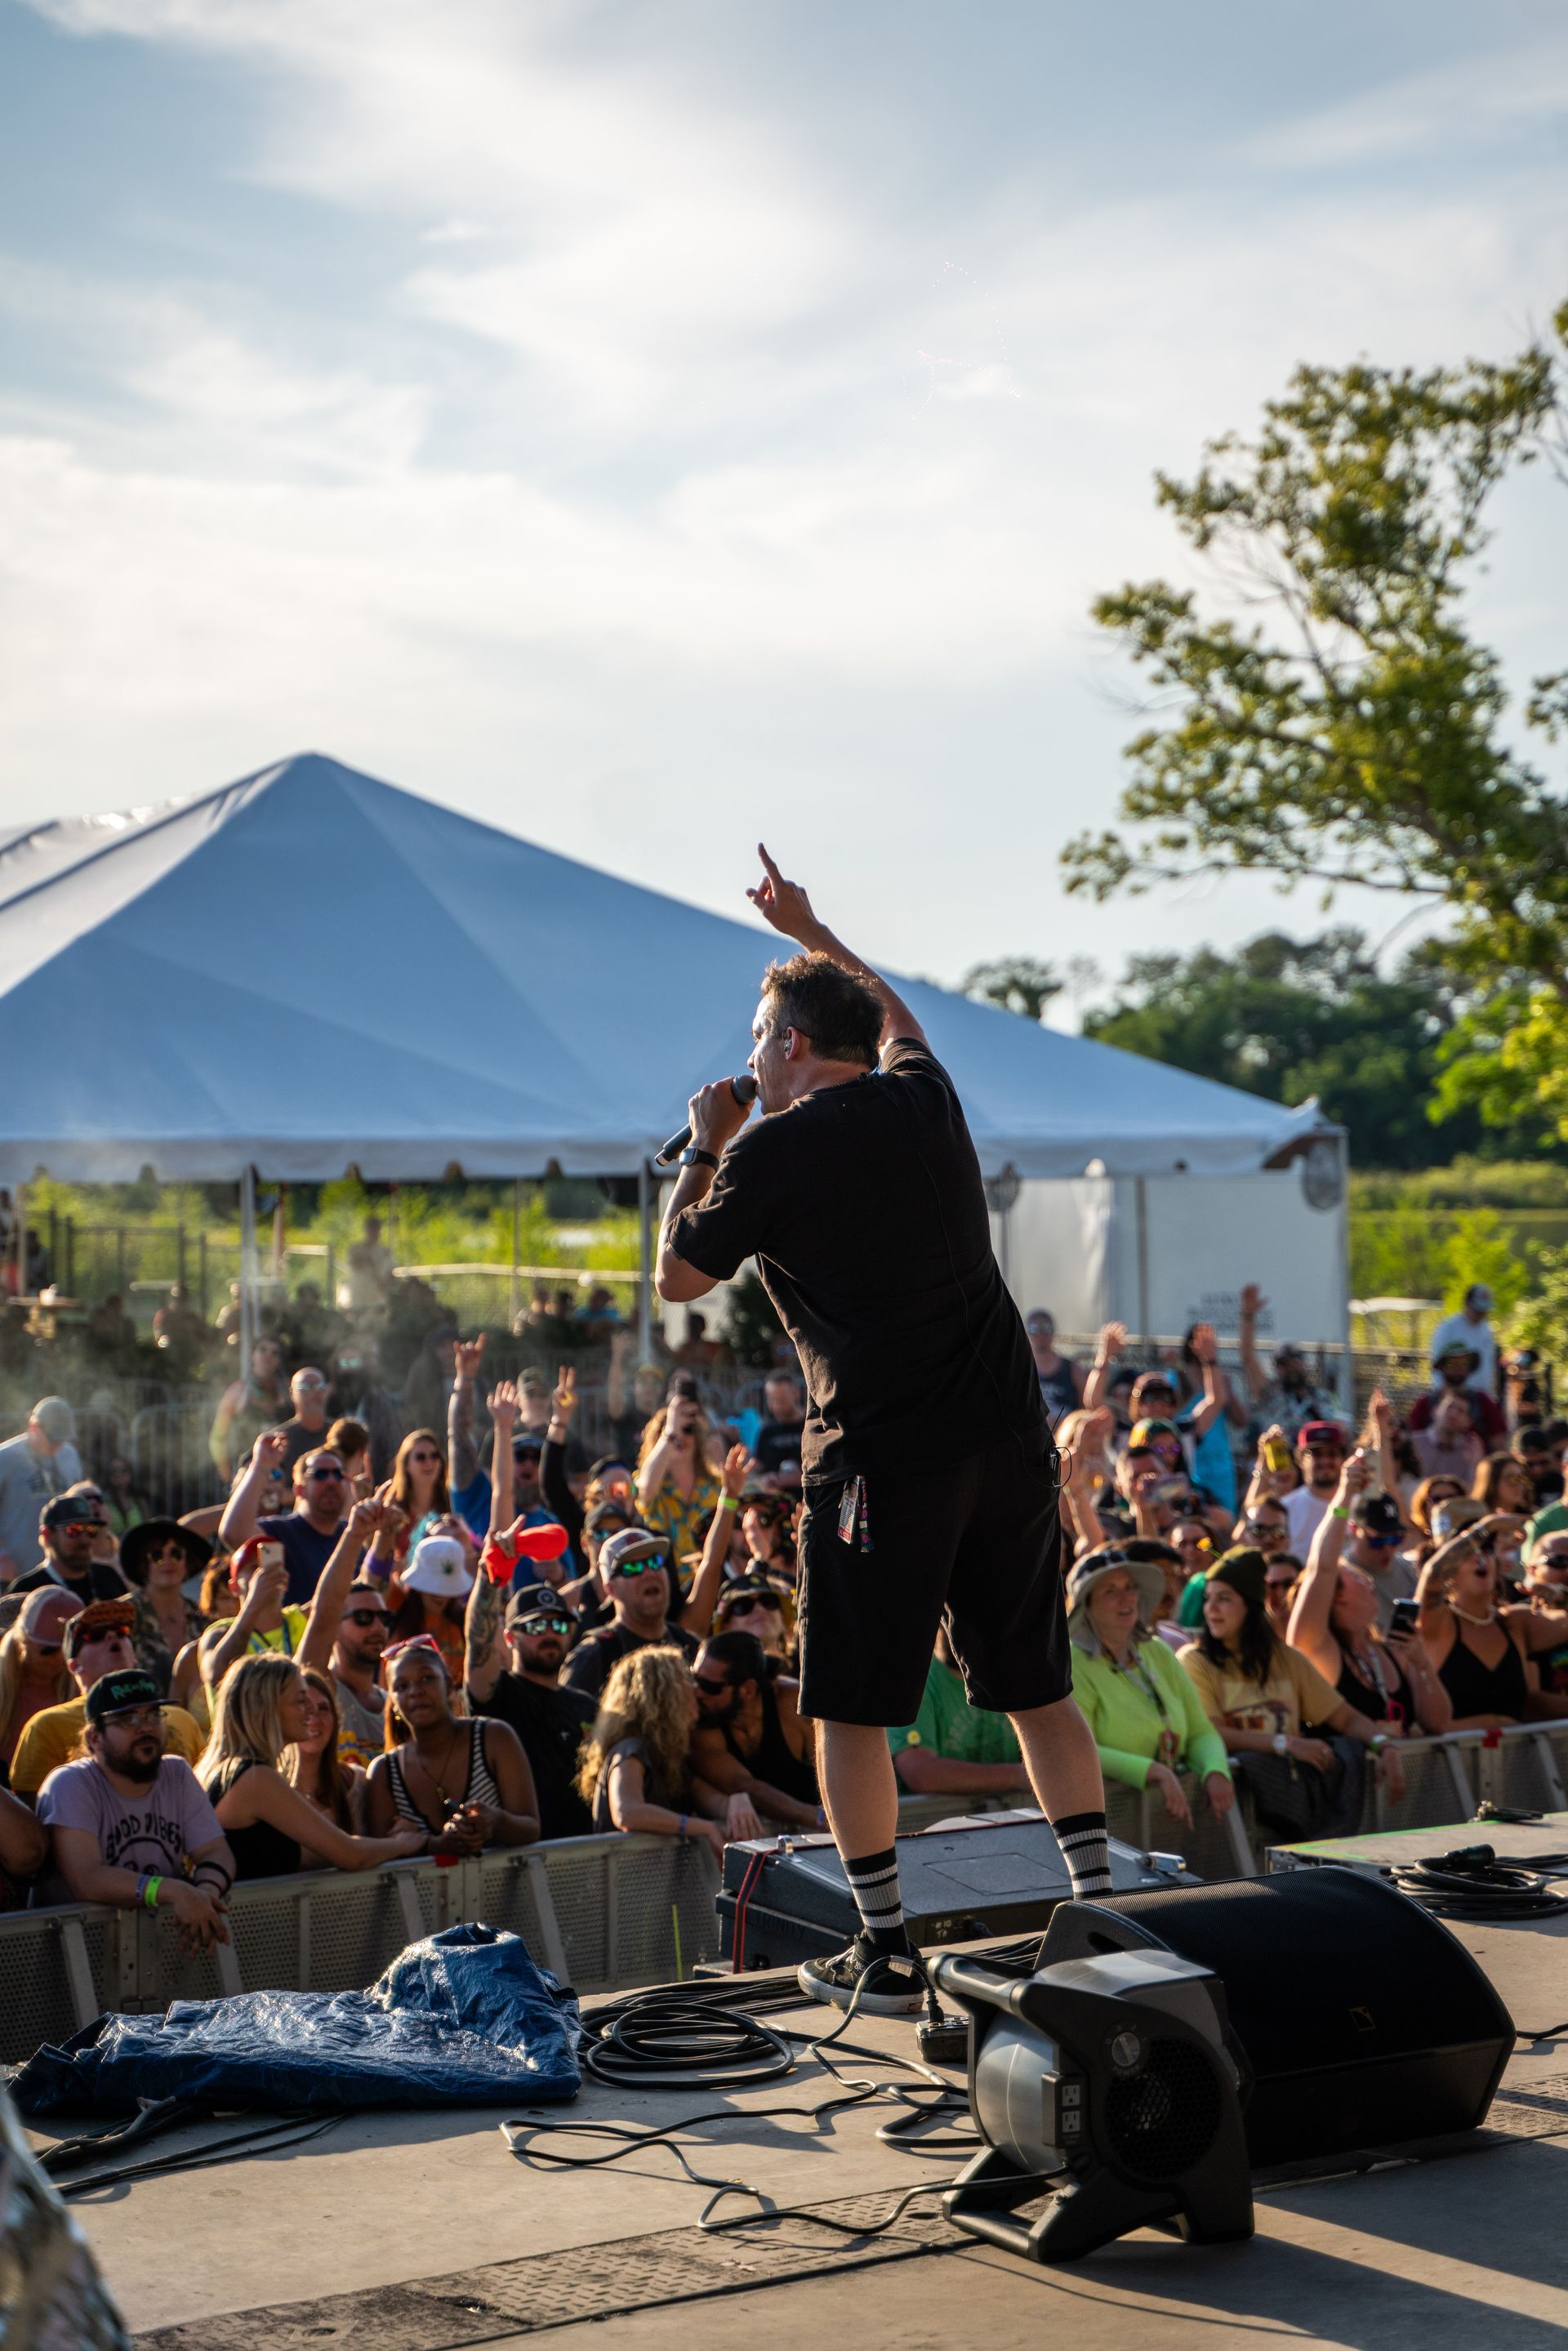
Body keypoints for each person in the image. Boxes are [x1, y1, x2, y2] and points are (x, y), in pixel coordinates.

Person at [657, 847, 1106, 2014]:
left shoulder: (771, 1144)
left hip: (882, 1461)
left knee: (852, 1705)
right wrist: (819, 931)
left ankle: (889, 1945)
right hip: (1008, 1440)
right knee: (1035, 1686)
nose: (751, 1060)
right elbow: (895, 1013)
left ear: (795, 1046)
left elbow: (677, 1274)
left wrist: (704, 1137)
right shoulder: (925, 1094)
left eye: (762, 1039)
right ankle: (1104, 1907)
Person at [1178, 1547, 1400, 1833]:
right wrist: (1286, 1745)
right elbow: (1212, 1731)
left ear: (1250, 1606)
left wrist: (1384, 1744)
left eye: (1224, 1599)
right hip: (1226, 1823)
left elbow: (1345, 1717)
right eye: (1208, 1599)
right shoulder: (1195, 1660)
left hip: (1286, 1813)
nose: (1211, 1609)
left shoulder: (1286, 1659)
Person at [37, 1668, 234, 1943]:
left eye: (154, 1715)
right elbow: (86, 1879)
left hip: (161, 1946)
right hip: (75, 1956)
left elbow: (215, 1851)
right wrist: (173, 1891)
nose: (145, 1727)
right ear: (95, 1738)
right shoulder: (70, 1784)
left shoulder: (176, 1773)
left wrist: (205, 1896)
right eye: (127, 1719)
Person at [199, 1653, 429, 1879]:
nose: (311, 1709)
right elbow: (350, 1854)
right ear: (267, 1708)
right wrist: (403, 1844)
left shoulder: (230, 1771)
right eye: (300, 1700)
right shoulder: (254, 1778)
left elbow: (313, 1854)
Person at [1066, 1551, 1233, 1827]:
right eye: (1111, 1591)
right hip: (1111, 1824)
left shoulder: (1157, 1651)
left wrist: (1215, 1770)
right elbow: (1078, 1751)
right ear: (1087, 1605)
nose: (1126, 1598)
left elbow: (1200, 1731)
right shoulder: (1071, 1663)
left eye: (1130, 1587)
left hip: (1169, 1819)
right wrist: (1152, 1772)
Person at [1288, 1479, 1452, 1738]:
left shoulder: (1390, 1652)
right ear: (1336, 1598)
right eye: (1356, 1577)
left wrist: (1422, 1664)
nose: (1369, 1580)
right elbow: (1322, 1568)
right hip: (1348, 1776)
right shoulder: (1320, 1649)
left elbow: (1439, 1723)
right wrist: (1345, 1494)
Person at [10, 1599, 207, 1801]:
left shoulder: (182, 1719)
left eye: (122, 1632)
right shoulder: (47, 1726)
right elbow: (33, 1815)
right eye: (95, 1636)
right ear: (74, 1666)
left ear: (135, 1657)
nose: (113, 1635)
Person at [365, 1638, 540, 1850]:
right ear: (393, 1703)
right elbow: (380, 1855)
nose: (415, 1691)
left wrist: (495, 1821)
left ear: (448, 1686)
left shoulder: (494, 1737)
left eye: (427, 1678)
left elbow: (531, 1828)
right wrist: (432, 1844)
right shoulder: (384, 1772)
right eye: (402, 1686)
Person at [465, 1577, 597, 1840]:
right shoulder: (500, 1693)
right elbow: (478, 1644)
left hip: (590, 1857)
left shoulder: (586, 1705)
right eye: (536, 1626)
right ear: (510, 1638)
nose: (549, 1633)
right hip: (524, 1861)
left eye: (558, 1624)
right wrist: (490, 1577)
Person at [574, 1644, 728, 1855]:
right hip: (623, 1884)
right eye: (686, 1681)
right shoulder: (630, 1750)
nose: (696, 1690)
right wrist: (701, 1827)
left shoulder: (668, 1758)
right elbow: (627, 1813)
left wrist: (738, 1804)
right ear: (664, 1694)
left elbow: (711, 1799)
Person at [1414, 1522, 1568, 1728]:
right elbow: (1433, 1575)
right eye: (1468, 1552)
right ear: (1450, 1572)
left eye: (1487, 1550)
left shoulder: (1514, 1623)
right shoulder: (1438, 1622)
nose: (1479, 1558)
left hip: (1517, 1758)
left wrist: (1563, 1596)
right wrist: (1487, 1526)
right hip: (1453, 1758)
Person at [296, 1500, 399, 1770]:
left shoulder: (396, 1705)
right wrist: (355, 1534)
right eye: (363, 1618)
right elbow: (325, 1610)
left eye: (383, 1618)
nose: (377, 1628)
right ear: (335, 1628)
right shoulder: (317, 1688)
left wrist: (387, 1533)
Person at [691, 1629, 821, 1829]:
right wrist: (816, 1818)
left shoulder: (792, 1703)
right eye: (694, 1678)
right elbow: (740, 1785)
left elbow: (837, 1768)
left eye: (709, 1686)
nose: (697, 1692)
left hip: (816, 1844)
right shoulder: (703, 1722)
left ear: (748, 1689)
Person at [889, 1627, 1034, 1804]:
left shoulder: (1013, 1674)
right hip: (933, 1824)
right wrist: (1020, 1776)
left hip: (1012, 1818)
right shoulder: (916, 1680)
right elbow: (919, 1773)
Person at [562, 1528, 699, 1700]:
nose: (649, 1573)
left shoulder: (688, 1644)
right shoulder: (593, 1657)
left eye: (655, 1562)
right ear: (610, 1589)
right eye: (632, 1568)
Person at [220, 1433, 351, 1607]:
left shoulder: (351, 1534)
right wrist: (261, 1466)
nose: (331, 1481)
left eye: (338, 1474)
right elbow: (234, 1533)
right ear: (299, 1490)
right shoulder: (280, 1532)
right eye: (320, 1474)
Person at [120, 1518, 213, 1693]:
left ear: (187, 1562)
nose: (168, 1561)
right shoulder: (123, 1615)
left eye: (176, 1554)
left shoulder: (202, 1618)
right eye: (157, 1556)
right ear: (143, 1564)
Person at [636, 1392, 724, 1568]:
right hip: (667, 1585)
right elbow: (645, 1487)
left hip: (712, 1581)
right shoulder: (652, 1483)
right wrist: (670, 1430)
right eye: (671, 1431)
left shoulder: (717, 1485)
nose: (680, 1437)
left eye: (687, 1430)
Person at [285, 1667, 364, 1860]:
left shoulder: (357, 1782)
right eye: (303, 1707)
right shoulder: (267, 1788)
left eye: (322, 1709)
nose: (313, 1719)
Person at [0, 1398, 82, 1582]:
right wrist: (1, 1554)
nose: (58, 1444)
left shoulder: (69, 1455)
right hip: (13, 1574)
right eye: (54, 1438)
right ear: (34, 1427)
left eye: (63, 1438)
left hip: (60, 1570)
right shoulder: (4, 1459)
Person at [0, 1588, 78, 1782]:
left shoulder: (82, 1689)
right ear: (22, 1642)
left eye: (69, 1650)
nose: (60, 1659)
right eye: (48, 1650)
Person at [1236, 1290, 1335, 1441]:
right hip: (1279, 1459)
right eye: (1284, 1364)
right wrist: (1248, 1315)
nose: (1291, 1369)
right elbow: (1248, 1358)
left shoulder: (1320, 1396)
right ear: (1277, 1368)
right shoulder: (1269, 1392)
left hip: (1311, 1457)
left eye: (1294, 1362)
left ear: (1303, 1364)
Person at [7, 1492, 128, 1604]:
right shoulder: (26, 1591)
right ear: (47, 1535)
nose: (85, 1540)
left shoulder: (107, 1577)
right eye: (74, 1530)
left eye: (91, 1530)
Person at [208, 1338, 287, 1480]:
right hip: (246, 1473)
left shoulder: (287, 1394)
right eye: (262, 1349)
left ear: (279, 1360)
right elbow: (217, 1438)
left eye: (275, 1353)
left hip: (280, 1475)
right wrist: (228, 1476)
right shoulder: (238, 1392)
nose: (268, 1355)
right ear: (253, 1355)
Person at [1410, 1340, 1506, 1443]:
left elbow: (1498, 1440)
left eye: (1464, 1363)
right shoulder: (1425, 1403)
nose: (1458, 1367)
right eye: (1452, 1363)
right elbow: (1413, 1440)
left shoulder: (1483, 1401)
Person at [1428, 1285, 1499, 1397]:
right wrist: (1442, 1394)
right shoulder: (1449, 1328)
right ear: (1467, 1303)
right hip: (1456, 1397)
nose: (1481, 1314)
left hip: (1482, 1396)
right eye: (1477, 1310)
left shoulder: (1486, 1329)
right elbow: (1438, 1364)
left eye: (1484, 1310)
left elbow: (1489, 1364)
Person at [265, 1368, 334, 1474]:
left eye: (319, 1387)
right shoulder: (277, 1441)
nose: (313, 1393)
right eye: (304, 1388)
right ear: (292, 1393)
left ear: (327, 1391)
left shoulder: (342, 1435)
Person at [1023, 1311, 1085, 1430]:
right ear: (1027, 1333)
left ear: (1053, 1331)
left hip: (1065, 1435)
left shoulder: (1072, 1369)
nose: (1041, 1335)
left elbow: (1086, 1406)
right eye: (1034, 1329)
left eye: (1046, 1329)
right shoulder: (1022, 1368)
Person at [1410, 1391, 1485, 1485]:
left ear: (1468, 1422)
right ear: (1435, 1411)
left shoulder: (1471, 1450)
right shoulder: (1412, 1443)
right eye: (1449, 1407)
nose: (1453, 1414)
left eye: (1461, 1411)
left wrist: (1476, 1464)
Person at [751, 1369, 809, 1478]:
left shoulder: (811, 1425)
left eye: (782, 1400)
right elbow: (758, 1467)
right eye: (773, 1400)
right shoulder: (767, 1431)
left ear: (796, 1394)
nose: (777, 1406)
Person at [345, 1215, 395, 1313]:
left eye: (376, 1229)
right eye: (371, 1229)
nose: (374, 1232)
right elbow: (354, 1264)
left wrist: (386, 1287)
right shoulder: (356, 1249)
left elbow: (391, 1273)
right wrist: (367, 1260)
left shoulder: (385, 1252)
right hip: (359, 1297)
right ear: (366, 1230)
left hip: (378, 1299)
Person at [102, 1454, 153, 1541]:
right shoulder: (104, 1502)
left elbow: (148, 1529)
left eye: (123, 1470)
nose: (118, 1474)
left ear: (130, 1474)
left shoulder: (139, 1501)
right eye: (114, 1471)